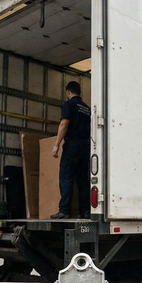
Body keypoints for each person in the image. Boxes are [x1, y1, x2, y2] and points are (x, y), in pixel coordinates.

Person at [50, 81, 91, 220]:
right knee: (82, 179)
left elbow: (64, 124)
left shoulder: (69, 104)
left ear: (68, 92)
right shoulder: (87, 109)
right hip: (85, 146)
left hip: (72, 144)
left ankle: (64, 210)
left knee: (66, 176)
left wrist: (56, 144)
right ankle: (85, 211)